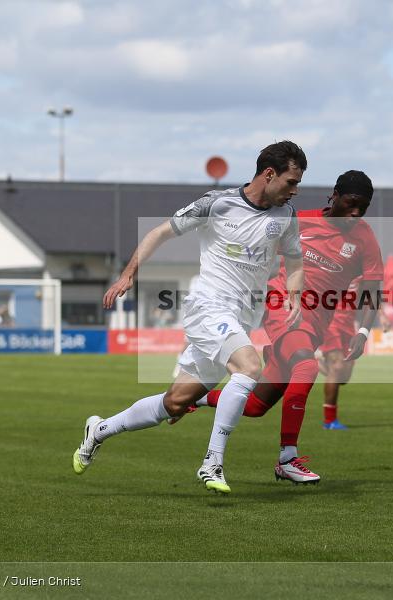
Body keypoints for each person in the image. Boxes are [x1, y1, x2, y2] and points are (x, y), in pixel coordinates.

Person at [72, 141, 307, 495]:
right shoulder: (217, 203)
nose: (295, 190)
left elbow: (295, 260)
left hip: (242, 318)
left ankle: (99, 430)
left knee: (175, 402)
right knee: (248, 367)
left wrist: (294, 292)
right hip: (208, 307)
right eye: (291, 182)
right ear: (269, 174)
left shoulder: (286, 217)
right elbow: (160, 232)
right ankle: (212, 462)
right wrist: (128, 274)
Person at [194, 170, 384, 484]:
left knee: (255, 405)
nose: (356, 213)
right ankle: (288, 458)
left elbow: (374, 289)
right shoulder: (297, 220)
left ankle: (192, 397)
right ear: (334, 195)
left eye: (363, 208)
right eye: (351, 203)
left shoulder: (364, 237)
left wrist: (363, 332)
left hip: (316, 326)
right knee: (307, 367)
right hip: (284, 310)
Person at [317, 277, 362, 431]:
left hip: (349, 326)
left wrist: (382, 314)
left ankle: (312, 362)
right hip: (330, 322)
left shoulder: (362, 267)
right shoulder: (328, 262)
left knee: (343, 377)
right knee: (337, 367)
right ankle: (329, 421)